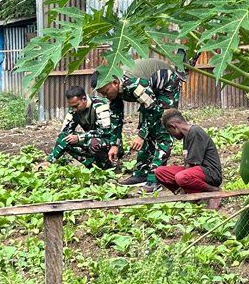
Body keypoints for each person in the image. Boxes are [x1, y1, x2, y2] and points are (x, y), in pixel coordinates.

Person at [91, 57, 183, 187]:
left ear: (115, 83)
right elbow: (116, 119)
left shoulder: (134, 84)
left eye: (106, 92)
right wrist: (115, 144)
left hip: (166, 85)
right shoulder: (115, 92)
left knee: (163, 129)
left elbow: (154, 111)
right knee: (147, 130)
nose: (105, 96)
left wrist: (140, 135)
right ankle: (142, 173)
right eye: (102, 94)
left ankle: (157, 177)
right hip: (150, 93)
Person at [154, 109, 223, 206]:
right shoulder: (186, 135)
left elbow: (192, 164)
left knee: (181, 177)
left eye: (170, 132)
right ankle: (191, 194)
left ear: (173, 126)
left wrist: (182, 185)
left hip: (210, 173)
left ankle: (213, 190)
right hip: (197, 171)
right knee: (160, 172)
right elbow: (188, 163)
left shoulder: (195, 132)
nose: (172, 136)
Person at [47, 85, 120, 168]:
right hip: (92, 139)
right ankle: (91, 166)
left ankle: (109, 164)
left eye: (76, 106)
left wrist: (80, 137)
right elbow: (64, 132)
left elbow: (104, 132)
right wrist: (51, 159)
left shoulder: (100, 105)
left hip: (110, 142)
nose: (74, 109)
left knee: (94, 143)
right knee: (65, 138)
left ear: (84, 99)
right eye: (72, 107)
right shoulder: (75, 110)